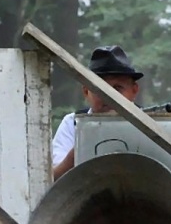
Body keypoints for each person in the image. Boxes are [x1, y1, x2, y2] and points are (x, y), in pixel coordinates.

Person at [50, 45, 144, 179]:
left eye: (117, 88)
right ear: (86, 92)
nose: (109, 96)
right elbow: (55, 177)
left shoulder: (153, 123)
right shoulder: (73, 123)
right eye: (100, 89)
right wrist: (84, 144)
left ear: (134, 91)